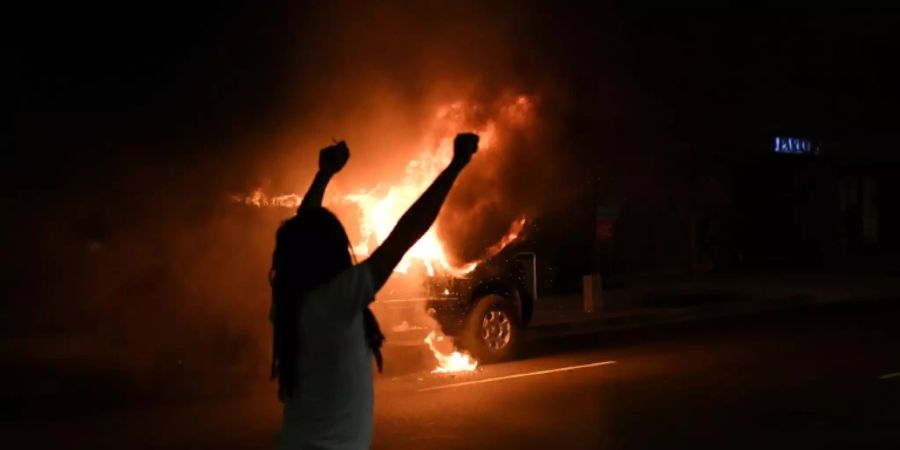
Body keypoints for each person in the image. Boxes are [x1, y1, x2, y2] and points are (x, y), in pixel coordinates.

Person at [270, 133, 480, 449]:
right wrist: (455, 166)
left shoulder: (290, 302)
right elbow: (406, 233)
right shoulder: (335, 300)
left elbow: (303, 234)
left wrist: (324, 174)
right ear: (330, 253)